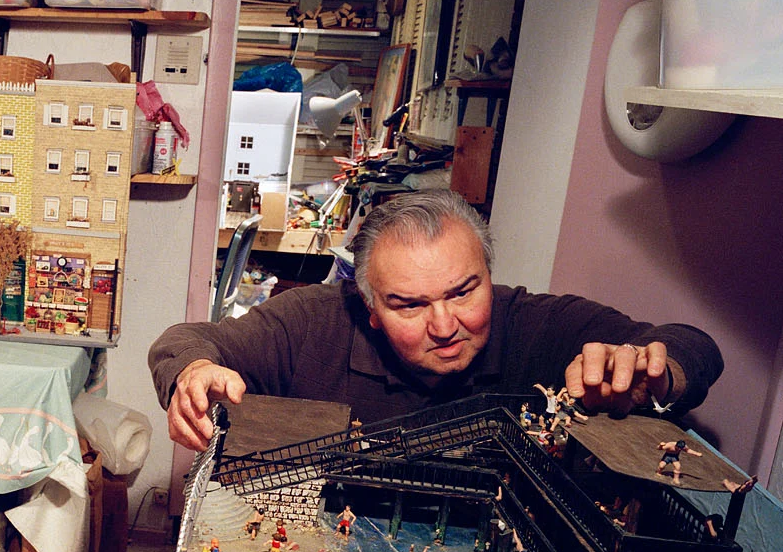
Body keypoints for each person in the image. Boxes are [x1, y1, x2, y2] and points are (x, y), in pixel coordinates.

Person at [150, 190, 722, 449]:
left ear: (487, 276)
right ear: (369, 308)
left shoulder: (538, 325)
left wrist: (655, 369)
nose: (446, 324)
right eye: (409, 305)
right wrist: (193, 372)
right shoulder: (311, 323)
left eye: (464, 292)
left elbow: (693, 346)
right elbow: (188, 339)